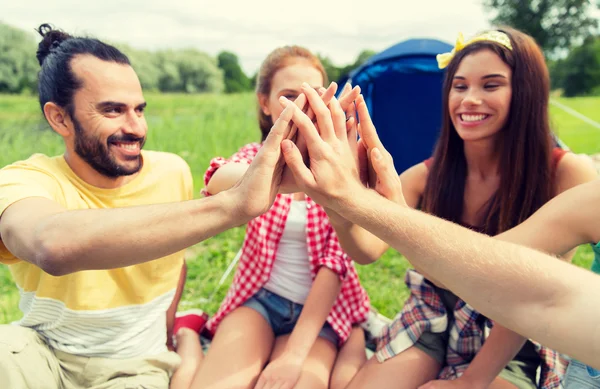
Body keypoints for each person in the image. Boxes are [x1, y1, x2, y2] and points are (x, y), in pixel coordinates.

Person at [0, 24, 300, 389]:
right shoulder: (23, 180)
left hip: (132, 367)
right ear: (59, 118)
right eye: (113, 110)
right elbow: (51, 245)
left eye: (139, 110)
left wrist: (170, 332)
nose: (137, 128)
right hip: (42, 353)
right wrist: (233, 205)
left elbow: (173, 267)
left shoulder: (169, 171)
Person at [275, 84, 600, 377]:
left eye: (491, 84)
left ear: (527, 94)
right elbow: (367, 248)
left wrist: (473, 382)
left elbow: (534, 293)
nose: (470, 98)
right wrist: (343, 207)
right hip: (434, 314)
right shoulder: (430, 173)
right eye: (459, 85)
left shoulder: (565, 173)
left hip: (512, 332)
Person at [180, 46, 370, 389]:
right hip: (260, 298)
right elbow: (216, 180)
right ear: (264, 103)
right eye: (288, 96)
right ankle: (189, 334)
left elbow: (336, 264)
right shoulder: (255, 157)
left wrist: (294, 357)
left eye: (314, 96)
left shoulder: (341, 168)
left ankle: (351, 335)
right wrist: (284, 169)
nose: (302, 108)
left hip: (323, 313)